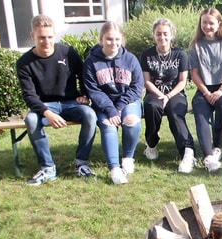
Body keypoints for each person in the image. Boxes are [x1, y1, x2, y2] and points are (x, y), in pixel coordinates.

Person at [16, 14, 97, 186]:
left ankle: (81, 163)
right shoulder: (24, 62)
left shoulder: (68, 52)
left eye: (50, 37)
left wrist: (85, 95)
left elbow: (84, 77)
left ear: (55, 35)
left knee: (90, 115)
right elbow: (29, 95)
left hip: (71, 102)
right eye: (41, 38)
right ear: (33, 36)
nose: (46, 41)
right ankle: (47, 168)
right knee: (30, 119)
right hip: (44, 105)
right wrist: (46, 113)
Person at [83, 21, 144, 184]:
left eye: (117, 39)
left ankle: (128, 158)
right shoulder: (91, 61)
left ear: (122, 39)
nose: (113, 43)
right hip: (103, 104)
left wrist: (119, 107)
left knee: (131, 120)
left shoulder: (130, 59)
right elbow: (93, 90)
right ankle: (114, 169)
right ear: (101, 39)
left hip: (127, 101)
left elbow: (137, 86)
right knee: (108, 125)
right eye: (109, 39)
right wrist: (110, 110)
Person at [140, 18, 196, 173]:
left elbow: (183, 81)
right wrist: (160, 95)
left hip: (175, 93)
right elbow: (147, 81)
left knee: (175, 111)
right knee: (152, 107)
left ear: (172, 35)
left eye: (165, 34)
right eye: (158, 34)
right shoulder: (146, 55)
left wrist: (168, 96)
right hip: (154, 92)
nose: (162, 37)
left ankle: (187, 152)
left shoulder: (180, 55)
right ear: (154, 35)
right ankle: (151, 144)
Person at [188, 8, 222, 172]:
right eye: (204, 22)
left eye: (211, 23)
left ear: (218, 24)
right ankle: (208, 158)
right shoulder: (195, 46)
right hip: (204, 89)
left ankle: (217, 147)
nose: (207, 26)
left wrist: (220, 91)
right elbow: (194, 74)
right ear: (200, 23)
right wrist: (206, 93)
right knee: (200, 112)